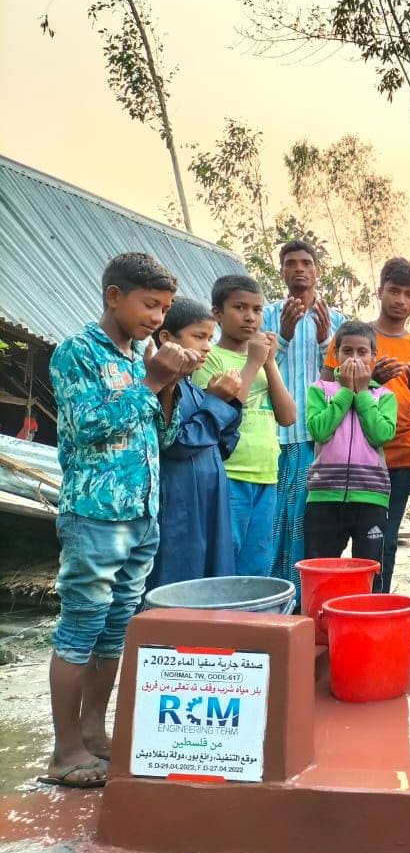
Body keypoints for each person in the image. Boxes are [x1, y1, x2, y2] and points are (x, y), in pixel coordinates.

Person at [44, 252, 195, 789]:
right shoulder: (76, 353)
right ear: (114, 296)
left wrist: (170, 387)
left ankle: (94, 735)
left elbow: (163, 439)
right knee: (82, 625)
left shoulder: (141, 358)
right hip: (95, 515)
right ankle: (64, 751)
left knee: (114, 630)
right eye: (149, 304)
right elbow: (89, 428)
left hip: (142, 513)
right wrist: (153, 382)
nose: (158, 317)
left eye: (165, 308)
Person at [323, 259, 410, 592]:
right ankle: (332, 607)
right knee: (335, 540)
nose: (400, 300)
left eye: (409, 293)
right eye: (394, 291)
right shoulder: (351, 337)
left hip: (397, 458)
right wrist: (371, 378)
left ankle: (376, 607)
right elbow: (326, 389)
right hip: (347, 457)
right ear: (380, 291)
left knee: (382, 542)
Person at [262, 240, 345, 593]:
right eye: (291, 263)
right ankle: (268, 592)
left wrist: (327, 342)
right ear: (281, 271)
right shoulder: (265, 315)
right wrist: (282, 336)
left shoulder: (336, 319)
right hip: (274, 436)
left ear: (317, 271)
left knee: (309, 522)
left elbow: (349, 379)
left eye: (306, 262)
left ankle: (302, 596)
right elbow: (256, 368)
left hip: (319, 438)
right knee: (271, 521)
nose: (299, 268)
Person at [199, 275, 296, 578]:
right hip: (228, 474)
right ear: (217, 313)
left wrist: (268, 362)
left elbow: (288, 416)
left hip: (265, 473)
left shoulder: (265, 360)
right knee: (225, 561)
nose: (250, 317)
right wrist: (254, 362)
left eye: (257, 309)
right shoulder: (209, 357)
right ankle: (220, 626)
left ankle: (251, 624)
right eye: (239, 308)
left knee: (257, 565)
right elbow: (221, 414)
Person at [148, 298, 244, 591]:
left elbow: (222, 446)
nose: (207, 347)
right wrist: (216, 402)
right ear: (167, 338)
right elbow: (178, 444)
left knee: (211, 577)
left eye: (210, 338)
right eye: (199, 337)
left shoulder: (193, 387)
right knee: (179, 578)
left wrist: (228, 402)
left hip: (210, 499)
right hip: (180, 500)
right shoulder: (163, 387)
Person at [302, 322, 398, 587]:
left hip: (370, 496)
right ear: (336, 355)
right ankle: (318, 624)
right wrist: (345, 391)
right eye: (347, 351)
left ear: (373, 356)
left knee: (367, 571)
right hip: (324, 495)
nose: (354, 358)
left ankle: (363, 622)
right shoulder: (320, 390)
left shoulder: (384, 395)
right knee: (319, 568)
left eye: (362, 352)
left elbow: (381, 434)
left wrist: (363, 393)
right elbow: (319, 430)